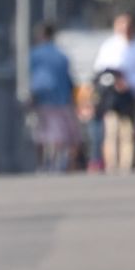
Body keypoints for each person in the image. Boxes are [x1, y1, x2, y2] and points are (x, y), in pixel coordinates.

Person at [26, 21, 78, 172]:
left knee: (40, 133)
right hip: (60, 97)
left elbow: (30, 75)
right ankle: (57, 163)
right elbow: (68, 77)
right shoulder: (62, 55)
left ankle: (42, 165)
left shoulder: (35, 54)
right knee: (58, 132)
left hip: (41, 96)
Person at [93, 10, 135, 99]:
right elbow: (99, 67)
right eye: (122, 26)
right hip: (110, 93)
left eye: (128, 27)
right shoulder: (108, 45)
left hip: (134, 94)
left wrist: (128, 83)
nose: (125, 29)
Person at [98, 67, 135, 174]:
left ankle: (125, 165)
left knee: (126, 139)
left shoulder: (126, 88)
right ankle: (111, 164)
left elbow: (131, 101)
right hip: (112, 113)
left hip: (125, 115)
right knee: (111, 138)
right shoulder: (107, 85)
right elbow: (105, 101)